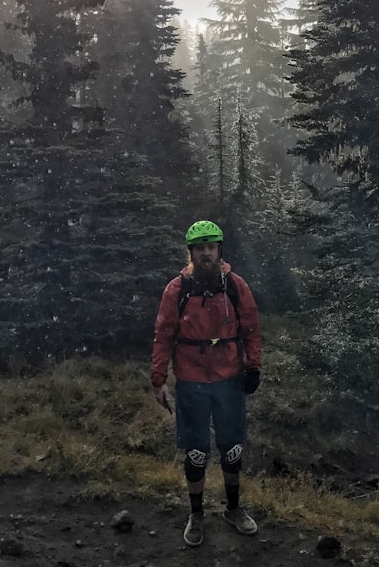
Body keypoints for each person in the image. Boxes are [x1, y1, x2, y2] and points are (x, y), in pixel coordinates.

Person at [151, 220, 263, 547]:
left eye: (210, 248)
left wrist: (252, 367)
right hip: (191, 380)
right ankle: (196, 514)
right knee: (197, 451)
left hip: (229, 377)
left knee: (231, 447)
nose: (205, 254)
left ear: (219, 251)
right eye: (199, 249)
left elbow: (252, 328)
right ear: (191, 253)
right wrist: (159, 379)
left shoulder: (235, 286)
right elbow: (163, 335)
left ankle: (233, 509)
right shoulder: (177, 289)